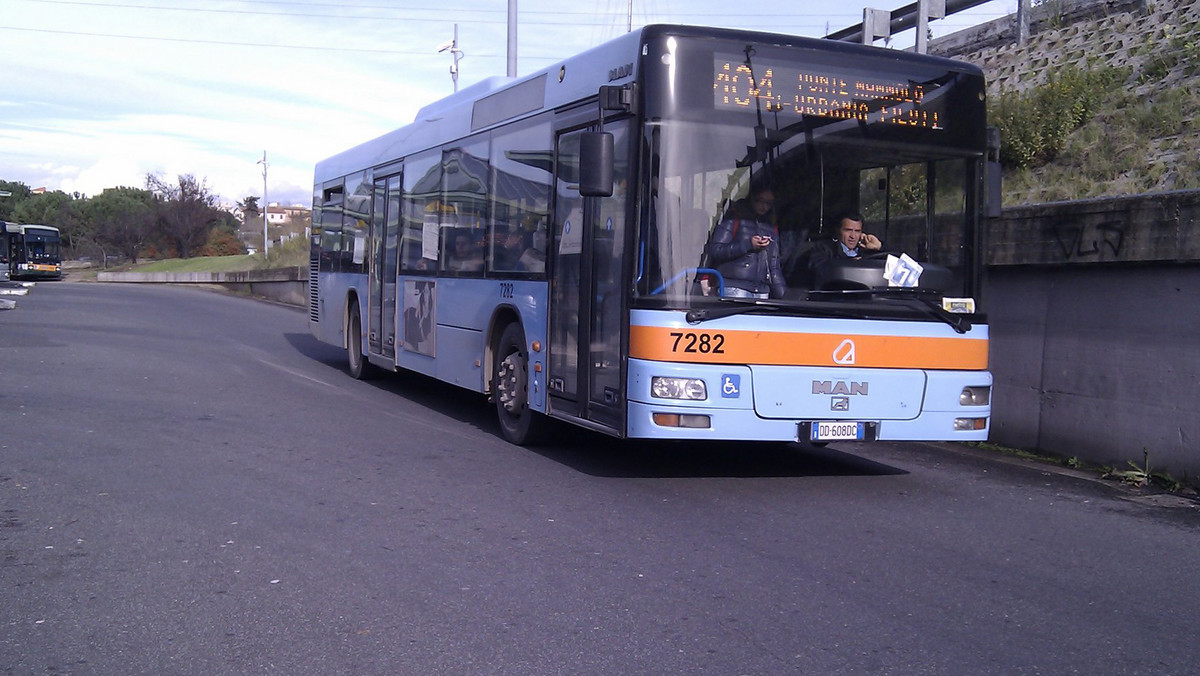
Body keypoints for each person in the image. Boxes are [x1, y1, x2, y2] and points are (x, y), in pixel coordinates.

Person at [704, 187, 786, 299]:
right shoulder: (734, 218)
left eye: (769, 203)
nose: (764, 207)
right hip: (734, 287)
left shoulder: (771, 227)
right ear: (752, 199)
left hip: (761, 289)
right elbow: (716, 250)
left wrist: (783, 295)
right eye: (760, 201)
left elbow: (774, 265)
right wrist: (748, 245)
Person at [807, 212, 883, 280]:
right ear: (838, 230)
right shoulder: (824, 248)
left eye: (857, 231)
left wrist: (880, 247)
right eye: (848, 230)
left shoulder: (867, 250)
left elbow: (893, 263)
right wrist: (851, 263)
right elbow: (819, 269)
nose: (853, 236)